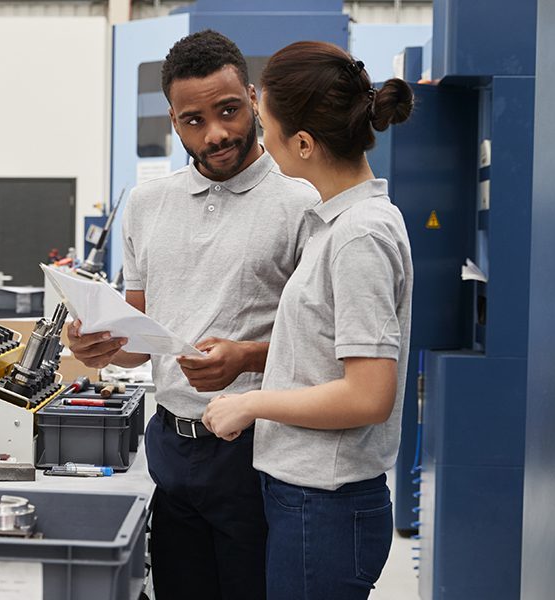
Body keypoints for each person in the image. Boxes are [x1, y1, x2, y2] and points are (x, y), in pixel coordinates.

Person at [66, 31, 319, 600]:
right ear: (174, 122)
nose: (217, 133)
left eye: (228, 110)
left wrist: (248, 357)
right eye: (193, 120)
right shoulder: (148, 204)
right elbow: (139, 332)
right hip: (172, 447)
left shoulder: (302, 200)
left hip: (261, 452)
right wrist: (99, 343)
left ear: (253, 99)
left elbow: (326, 342)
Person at [201, 41, 415, 599]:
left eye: (267, 128)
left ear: (302, 142)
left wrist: (250, 403)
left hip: (326, 503)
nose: (263, 142)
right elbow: (321, 352)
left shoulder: (359, 237)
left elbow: (369, 395)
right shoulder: (336, 225)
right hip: (308, 496)